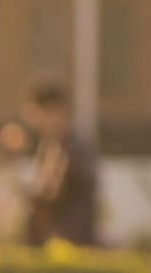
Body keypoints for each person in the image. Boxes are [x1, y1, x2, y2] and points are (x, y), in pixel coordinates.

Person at [8, 77, 101, 247]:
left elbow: (49, 193)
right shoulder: (53, 146)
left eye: (35, 115)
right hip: (57, 244)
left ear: (54, 111)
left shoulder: (68, 148)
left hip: (68, 245)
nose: (34, 124)